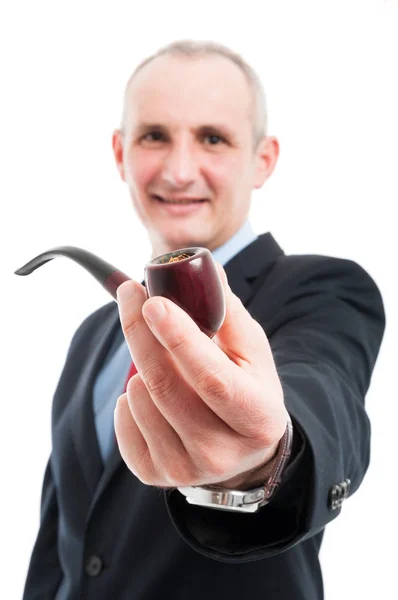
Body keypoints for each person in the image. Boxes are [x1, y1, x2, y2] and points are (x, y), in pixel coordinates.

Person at [22, 39, 385, 600]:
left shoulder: (321, 290)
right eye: (154, 137)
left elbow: (323, 389)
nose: (180, 169)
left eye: (212, 139)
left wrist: (261, 462)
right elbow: (62, 542)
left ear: (262, 161)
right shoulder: (95, 333)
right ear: (120, 153)